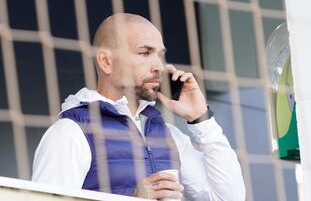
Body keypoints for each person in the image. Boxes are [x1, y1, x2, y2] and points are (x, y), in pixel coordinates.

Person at [32, 13, 245, 200]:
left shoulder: (168, 134)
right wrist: (131, 199)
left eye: (160, 55)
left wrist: (201, 118)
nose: (159, 67)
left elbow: (228, 198)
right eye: (144, 53)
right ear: (106, 62)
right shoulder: (70, 132)